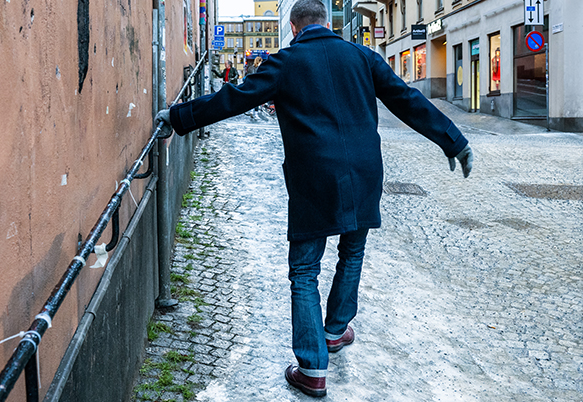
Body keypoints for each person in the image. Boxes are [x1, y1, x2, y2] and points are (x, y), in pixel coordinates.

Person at [155, 0, 473, 397]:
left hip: (315, 178)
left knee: (305, 271)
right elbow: (408, 100)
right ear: (325, 23)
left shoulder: (286, 61)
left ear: (293, 26)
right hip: (364, 174)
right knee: (352, 253)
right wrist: (454, 141)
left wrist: (180, 117)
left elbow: (234, 99)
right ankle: (335, 330)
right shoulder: (362, 56)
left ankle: (311, 367)